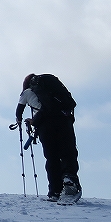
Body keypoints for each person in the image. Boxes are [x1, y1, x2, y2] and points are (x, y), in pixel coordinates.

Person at [16, 73, 81, 203]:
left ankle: (55, 192)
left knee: (52, 157)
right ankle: (70, 183)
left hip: (45, 126)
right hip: (63, 121)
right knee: (68, 153)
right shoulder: (52, 88)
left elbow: (19, 112)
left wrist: (28, 120)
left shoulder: (27, 92)